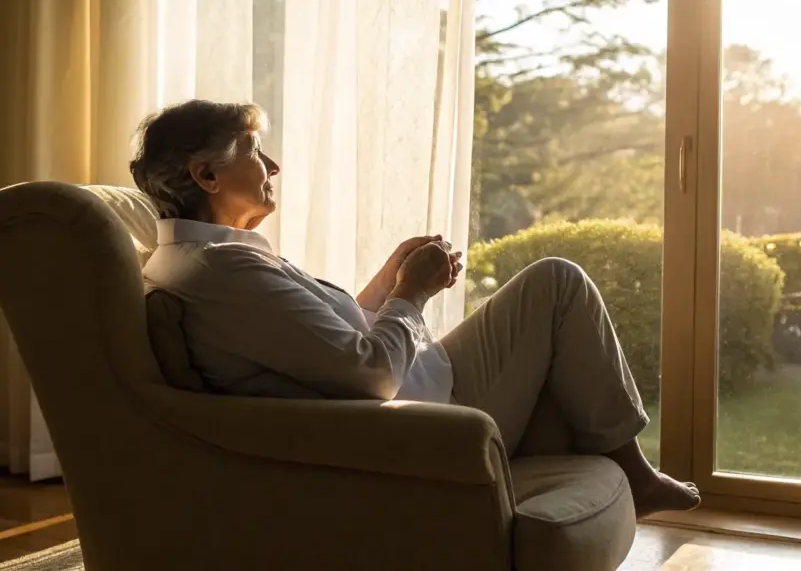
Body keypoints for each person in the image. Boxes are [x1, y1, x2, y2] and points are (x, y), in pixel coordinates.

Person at [132, 99, 700, 518]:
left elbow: (324, 348)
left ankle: (607, 471)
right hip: (431, 414)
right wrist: (415, 291)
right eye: (255, 151)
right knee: (559, 284)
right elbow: (371, 374)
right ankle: (634, 473)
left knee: (554, 294)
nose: (273, 166)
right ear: (206, 175)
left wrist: (389, 282)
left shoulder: (208, 261)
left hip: (425, 381)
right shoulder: (223, 272)